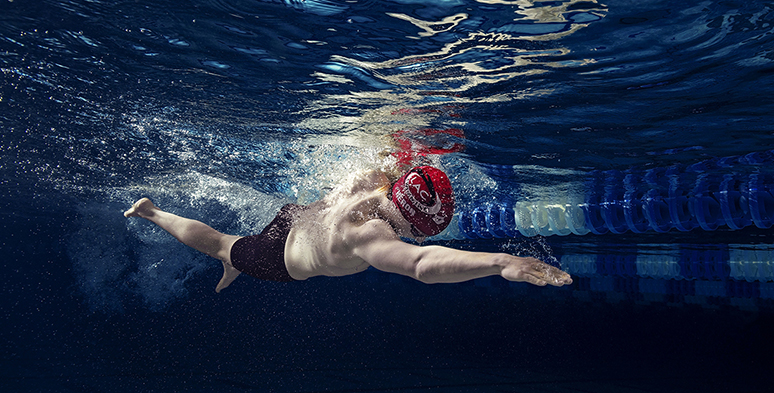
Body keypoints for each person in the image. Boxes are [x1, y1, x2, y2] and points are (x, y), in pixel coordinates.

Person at [124, 165, 572, 293]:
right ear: (415, 222)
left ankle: (236, 263)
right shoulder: (369, 233)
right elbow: (420, 265)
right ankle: (153, 212)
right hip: (280, 258)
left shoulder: (375, 180)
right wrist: (501, 262)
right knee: (222, 246)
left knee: (236, 249)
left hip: (298, 218)